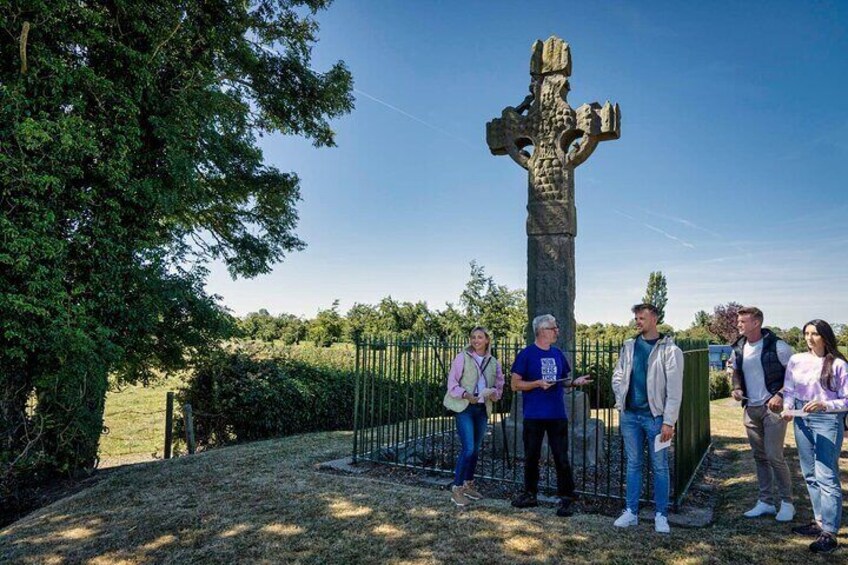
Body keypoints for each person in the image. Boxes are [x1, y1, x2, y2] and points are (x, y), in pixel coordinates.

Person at [509, 314, 593, 517]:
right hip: (534, 415)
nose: (557, 331)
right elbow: (515, 384)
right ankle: (530, 494)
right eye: (553, 328)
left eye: (556, 327)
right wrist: (537, 383)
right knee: (531, 456)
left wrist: (574, 382)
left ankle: (567, 497)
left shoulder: (557, 354)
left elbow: (563, 380)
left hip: (557, 414)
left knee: (561, 457)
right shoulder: (526, 355)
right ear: (541, 331)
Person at [612, 303, 684, 534]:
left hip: (656, 419)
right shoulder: (629, 346)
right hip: (630, 416)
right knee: (633, 464)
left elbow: (675, 391)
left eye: (641, 317)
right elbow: (618, 374)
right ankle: (631, 512)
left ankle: (661, 515)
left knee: (660, 466)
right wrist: (620, 397)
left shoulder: (670, 351)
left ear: (654, 319)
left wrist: (668, 422)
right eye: (636, 318)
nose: (637, 321)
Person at [782, 319, 848, 554]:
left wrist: (825, 404)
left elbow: (846, 399)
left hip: (827, 420)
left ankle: (829, 533)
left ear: (825, 337)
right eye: (807, 334)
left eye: (815, 334)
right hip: (801, 418)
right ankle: (819, 522)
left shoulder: (838, 364)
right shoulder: (796, 360)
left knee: (826, 473)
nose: (810, 338)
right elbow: (789, 389)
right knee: (809, 473)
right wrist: (788, 408)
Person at [729, 306, 795, 522]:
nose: (739, 324)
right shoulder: (739, 347)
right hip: (751, 408)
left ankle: (787, 503)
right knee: (759, 457)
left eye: (742, 321)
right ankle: (766, 502)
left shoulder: (779, 347)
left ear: (756, 323)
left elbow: (795, 377)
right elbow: (736, 371)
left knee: (774, 456)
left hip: (772, 409)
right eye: (739, 321)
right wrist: (737, 388)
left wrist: (780, 395)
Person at [443, 326, 505, 506]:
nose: (476, 340)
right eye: (473, 337)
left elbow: (499, 385)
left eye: (480, 337)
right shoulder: (462, 358)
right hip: (465, 408)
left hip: (482, 409)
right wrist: (466, 395)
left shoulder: (494, 362)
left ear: (487, 340)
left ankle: (469, 484)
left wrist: (494, 393)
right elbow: (452, 383)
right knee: (468, 448)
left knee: (476, 450)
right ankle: (457, 489)